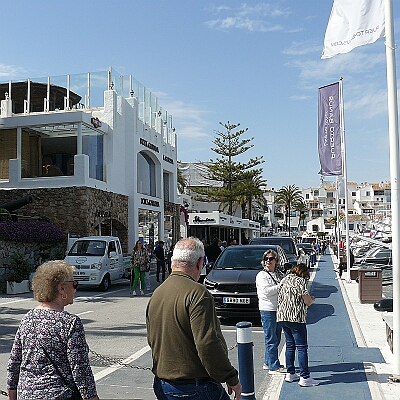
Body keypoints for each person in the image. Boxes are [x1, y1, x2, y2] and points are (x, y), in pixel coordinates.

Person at [146, 237, 242, 400]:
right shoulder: (198, 293)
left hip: (163, 384)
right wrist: (230, 377)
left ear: (173, 262)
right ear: (199, 263)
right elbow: (207, 343)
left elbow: (152, 339)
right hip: (194, 386)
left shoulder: (158, 293)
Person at [7, 260, 99, 400]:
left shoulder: (28, 318)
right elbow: (81, 372)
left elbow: (14, 363)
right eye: (74, 284)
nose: (75, 289)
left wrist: (12, 395)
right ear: (61, 289)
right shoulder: (70, 323)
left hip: (26, 394)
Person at [277, 263, 319, 387]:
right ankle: (305, 377)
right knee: (302, 347)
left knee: (290, 345)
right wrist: (312, 299)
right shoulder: (301, 281)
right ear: (304, 273)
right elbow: (307, 301)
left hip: (282, 316)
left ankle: (290, 373)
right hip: (295, 318)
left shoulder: (285, 279)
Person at [256, 249, 286, 374]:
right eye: (266, 259)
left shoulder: (278, 274)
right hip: (267, 309)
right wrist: (281, 285)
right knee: (271, 338)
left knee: (276, 337)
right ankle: (274, 366)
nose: (268, 261)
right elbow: (266, 291)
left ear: (276, 260)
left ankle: (268, 361)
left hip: (278, 309)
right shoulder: (261, 275)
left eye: (271, 258)